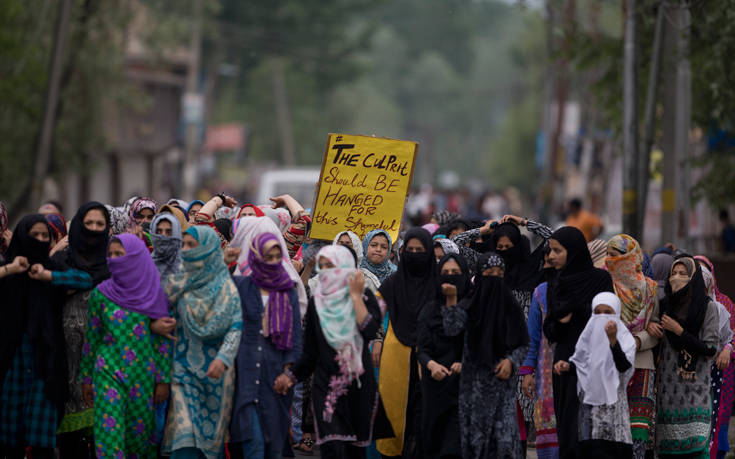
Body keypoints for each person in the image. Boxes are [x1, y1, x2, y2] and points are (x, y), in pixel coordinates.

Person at [277, 244, 391, 458]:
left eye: (332, 265)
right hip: (326, 389)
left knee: (353, 453)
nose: (327, 271)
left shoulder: (364, 296)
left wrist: (355, 297)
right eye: (322, 266)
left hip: (357, 389)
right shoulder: (316, 302)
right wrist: (290, 377)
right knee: (332, 449)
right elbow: (310, 352)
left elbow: (369, 330)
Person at [80, 234, 172, 458]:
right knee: (109, 438)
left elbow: (162, 343)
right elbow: (92, 338)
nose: (113, 259)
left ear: (135, 257)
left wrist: (163, 380)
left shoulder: (153, 293)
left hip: (142, 375)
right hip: (107, 371)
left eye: (119, 254)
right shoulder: (101, 294)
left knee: (137, 443)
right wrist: (86, 379)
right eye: (110, 255)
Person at [162, 226, 243, 459]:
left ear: (207, 248)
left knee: (208, 447)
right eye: (183, 245)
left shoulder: (225, 285)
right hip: (183, 372)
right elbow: (158, 311)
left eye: (192, 245)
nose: (185, 250)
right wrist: (155, 324)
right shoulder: (177, 282)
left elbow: (235, 327)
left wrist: (223, 358)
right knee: (184, 438)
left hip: (216, 377)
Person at [442, 253, 529, 458]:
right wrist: (451, 300)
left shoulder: (511, 307)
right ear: (480, 275)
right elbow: (452, 329)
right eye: (489, 273)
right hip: (473, 385)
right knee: (475, 440)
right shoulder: (470, 304)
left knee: (503, 440)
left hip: (502, 384)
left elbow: (523, 343)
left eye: (499, 274)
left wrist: (511, 361)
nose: (494, 279)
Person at [228, 232, 302, 459]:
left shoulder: (288, 289)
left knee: (273, 448)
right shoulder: (241, 286)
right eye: (267, 256)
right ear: (257, 256)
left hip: (276, 380)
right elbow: (211, 285)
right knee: (253, 445)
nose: (272, 262)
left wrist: (289, 374)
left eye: (276, 257)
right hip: (245, 378)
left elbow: (296, 338)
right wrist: (222, 261)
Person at [0, 215, 68, 459]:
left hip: (44, 366)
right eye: (34, 235)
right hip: (12, 364)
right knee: (10, 439)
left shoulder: (52, 270)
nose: (39, 241)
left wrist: (49, 273)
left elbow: (85, 279)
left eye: (44, 236)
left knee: (42, 443)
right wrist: (10, 270)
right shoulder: (8, 270)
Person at [542, 226, 613, 459]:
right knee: (569, 427)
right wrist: (562, 323)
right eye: (550, 250)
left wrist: (577, 311)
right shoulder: (556, 281)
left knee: (594, 428)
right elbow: (550, 330)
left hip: (595, 361)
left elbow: (607, 318)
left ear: (572, 252)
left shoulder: (601, 279)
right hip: (565, 361)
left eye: (557, 250)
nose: (551, 256)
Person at [52, 202, 112, 457]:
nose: (95, 229)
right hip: (64, 358)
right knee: (70, 443)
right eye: (89, 224)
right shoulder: (59, 262)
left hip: (103, 359)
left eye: (100, 224)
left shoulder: (113, 263)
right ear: (78, 225)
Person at [377, 228, 437, 458]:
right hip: (396, 358)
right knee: (393, 417)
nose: (414, 255)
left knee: (423, 422)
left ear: (429, 253)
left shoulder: (440, 284)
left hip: (431, 359)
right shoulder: (392, 283)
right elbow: (373, 315)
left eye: (419, 251)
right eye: (410, 250)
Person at [651, 257, 719, 458]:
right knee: (668, 450)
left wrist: (680, 331)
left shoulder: (707, 308)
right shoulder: (664, 305)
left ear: (694, 277)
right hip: (667, 392)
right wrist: (651, 327)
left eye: (683, 274)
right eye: (673, 273)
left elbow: (710, 349)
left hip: (695, 389)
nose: (676, 278)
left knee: (695, 449)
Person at [605, 234, 659, 459]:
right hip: (610, 362)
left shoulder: (650, 288)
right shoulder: (604, 283)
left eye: (614, 256)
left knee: (638, 430)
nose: (608, 260)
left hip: (641, 363)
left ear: (629, 257)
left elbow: (655, 330)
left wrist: (638, 341)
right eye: (607, 255)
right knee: (610, 429)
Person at [564, 292, 636, 457]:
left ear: (616, 313)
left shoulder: (625, 339)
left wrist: (613, 342)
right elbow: (582, 367)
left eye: (608, 312)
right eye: (598, 312)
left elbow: (624, 367)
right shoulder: (587, 339)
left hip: (615, 416)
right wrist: (567, 367)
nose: (602, 317)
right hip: (590, 417)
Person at [417, 253, 469, 459]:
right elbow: (421, 348)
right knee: (433, 442)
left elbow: (475, 344)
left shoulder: (473, 307)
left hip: (463, 388)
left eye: (456, 273)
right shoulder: (430, 309)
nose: (450, 277)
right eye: (445, 273)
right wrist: (431, 365)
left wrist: (464, 362)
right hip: (434, 386)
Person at [695, 256, 735, 459]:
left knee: (718, 415)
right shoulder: (685, 304)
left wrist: (728, 349)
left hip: (723, 369)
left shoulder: (725, 303)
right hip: (695, 372)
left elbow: (734, 333)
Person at [520, 249, 559, 459]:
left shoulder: (583, 288)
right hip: (546, 374)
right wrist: (527, 372)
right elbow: (532, 337)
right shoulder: (541, 292)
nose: (548, 265)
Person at [151, 213, 183, 278]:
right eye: (159, 231)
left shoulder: (186, 266)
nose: (163, 236)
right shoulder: (145, 265)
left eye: (168, 232)